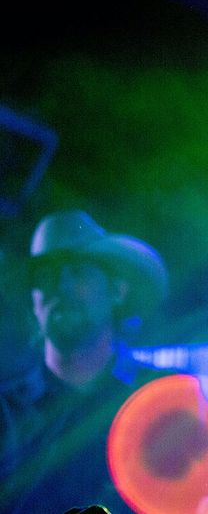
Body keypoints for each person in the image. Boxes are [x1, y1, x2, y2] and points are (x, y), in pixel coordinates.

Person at [0, 209, 169, 514]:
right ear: (33, 300)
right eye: (46, 274)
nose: (61, 287)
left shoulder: (168, 399)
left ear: (117, 291)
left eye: (78, 271)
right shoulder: (4, 415)